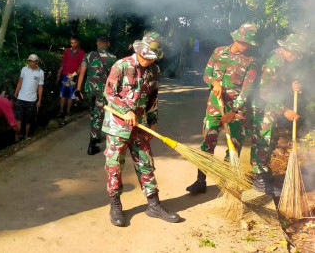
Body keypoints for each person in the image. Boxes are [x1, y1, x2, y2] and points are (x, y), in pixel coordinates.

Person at [102, 32, 180, 227]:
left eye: (151, 58)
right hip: (117, 126)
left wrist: (153, 120)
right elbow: (109, 93)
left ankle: (153, 205)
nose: (147, 61)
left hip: (140, 126)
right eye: (145, 56)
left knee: (146, 163)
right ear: (138, 50)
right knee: (114, 166)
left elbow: (153, 98)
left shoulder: (154, 71)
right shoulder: (122, 65)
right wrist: (125, 110)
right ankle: (116, 205)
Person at [186, 23, 258, 194]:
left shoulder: (251, 61)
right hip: (214, 107)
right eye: (243, 43)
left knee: (233, 145)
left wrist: (234, 111)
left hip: (236, 110)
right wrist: (214, 82)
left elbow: (247, 90)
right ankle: (200, 181)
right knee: (207, 142)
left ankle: (227, 182)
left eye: (249, 44)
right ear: (235, 38)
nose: (246, 47)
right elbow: (207, 74)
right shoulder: (218, 52)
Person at [249, 34, 306, 196]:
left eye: (298, 53)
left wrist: (292, 86)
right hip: (263, 106)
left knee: (271, 138)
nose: (296, 57)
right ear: (285, 48)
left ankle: (264, 173)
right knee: (263, 139)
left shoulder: (284, 60)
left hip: (271, 106)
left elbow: (278, 83)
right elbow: (265, 91)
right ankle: (260, 180)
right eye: (294, 53)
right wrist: (284, 110)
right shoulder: (274, 61)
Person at [75, 36, 117, 155]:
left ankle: (96, 135)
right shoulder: (113, 58)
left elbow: (82, 72)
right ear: (108, 44)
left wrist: (78, 89)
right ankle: (92, 145)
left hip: (89, 89)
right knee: (99, 115)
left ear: (97, 43)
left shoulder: (88, 55)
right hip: (103, 91)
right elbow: (115, 77)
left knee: (93, 112)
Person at [14, 54, 44, 140]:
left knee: (29, 120)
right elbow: (20, 82)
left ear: (36, 62)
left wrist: (39, 100)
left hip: (31, 100)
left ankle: (27, 136)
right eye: (29, 61)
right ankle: (17, 137)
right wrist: (15, 95)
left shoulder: (40, 73)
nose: (30, 63)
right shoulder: (24, 69)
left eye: (32, 61)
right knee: (18, 119)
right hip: (21, 98)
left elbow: (40, 87)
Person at [56, 36, 85, 121]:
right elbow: (63, 63)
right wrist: (59, 72)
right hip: (65, 75)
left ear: (78, 42)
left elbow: (81, 67)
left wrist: (75, 75)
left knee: (71, 94)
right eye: (71, 43)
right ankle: (61, 111)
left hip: (73, 76)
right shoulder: (67, 51)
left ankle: (68, 111)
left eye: (75, 42)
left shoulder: (82, 53)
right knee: (62, 93)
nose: (73, 44)